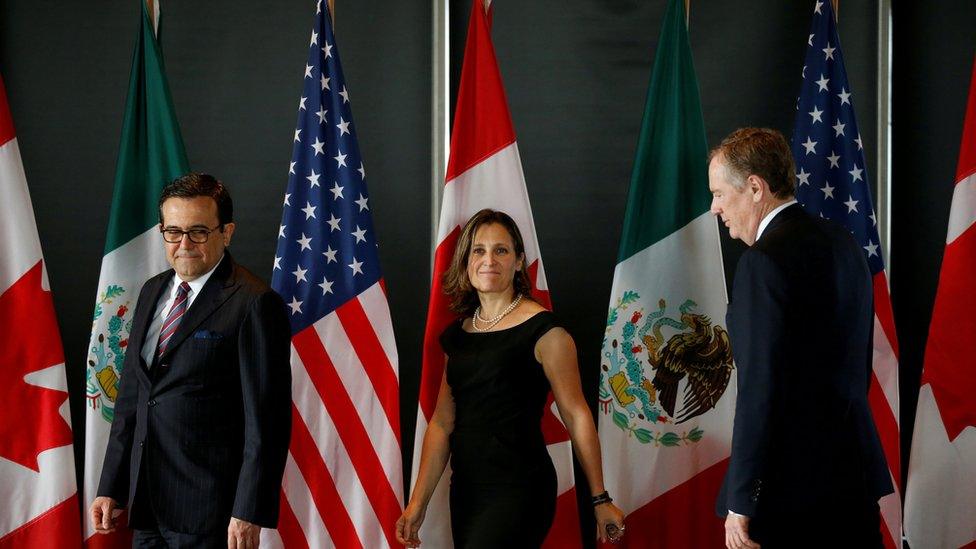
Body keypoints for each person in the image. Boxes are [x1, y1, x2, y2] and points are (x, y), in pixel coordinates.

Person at [396, 209, 626, 548]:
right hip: (467, 491)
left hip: (520, 490)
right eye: (478, 250)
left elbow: (576, 416)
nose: (489, 259)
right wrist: (417, 504)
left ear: (518, 261)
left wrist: (599, 498)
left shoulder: (546, 332)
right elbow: (443, 423)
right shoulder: (457, 335)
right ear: (465, 261)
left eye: (501, 250)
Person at [708, 128, 893, 548]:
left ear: (755, 187)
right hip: (852, 477)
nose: (714, 207)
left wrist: (741, 501)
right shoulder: (844, 242)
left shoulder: (762, 263)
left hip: (789, 494)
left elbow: (759, 389)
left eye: (719, 193)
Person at [89, 173, 292, 548]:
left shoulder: (254, 303)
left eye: (198, 231)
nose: (184, 244)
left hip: (211, 512)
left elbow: (268, 421)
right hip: (146, 503)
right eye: (173, 231)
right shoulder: (152, 290)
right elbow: (133, 399)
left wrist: (248, 511)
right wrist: (112, 487)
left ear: (226, 232)